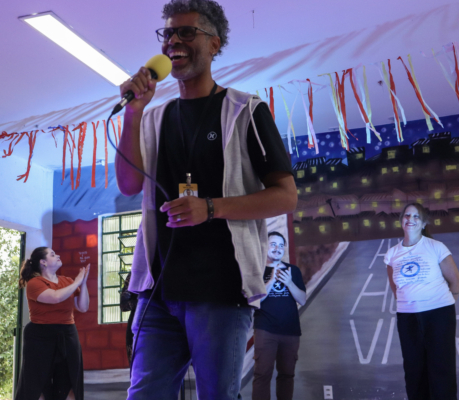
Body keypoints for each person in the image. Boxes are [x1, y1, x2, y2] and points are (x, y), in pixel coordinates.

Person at [114, 0, 297, 399]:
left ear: (215, 44)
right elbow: (128, 184)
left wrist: (211, 208)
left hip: (221, 292)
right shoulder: (153, 118)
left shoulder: (246, 111)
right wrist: (133, 112)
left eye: (186, 32)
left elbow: (286, 197)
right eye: (168, 34)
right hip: (158, 293)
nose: (173, 41)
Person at [384, 203, 459, 400]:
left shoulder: (436, 247)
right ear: (401, 220)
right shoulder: (392, 254)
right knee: (414, 369)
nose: (410, 219)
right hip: (407, 317)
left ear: (424, 223)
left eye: (416, 216)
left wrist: (444, 305)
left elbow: (455, 280)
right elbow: (396, 288)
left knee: (441, 367)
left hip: (439, 315)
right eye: (407, 215)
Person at [15, 247, 90, 400]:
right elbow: (55, 297)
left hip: (68, 335)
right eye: (53, 254)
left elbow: (83, 307)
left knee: (69, 385)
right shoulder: (35, 283)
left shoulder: (67, 281)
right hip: (39, 337)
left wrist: (83, 283)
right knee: (38, 387)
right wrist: (77, 281)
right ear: (43, 262)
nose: (58, 255)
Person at [252, 231, 306, 400]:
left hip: (291, 331)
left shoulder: (293, 270)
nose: (277, 248)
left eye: (281, 245)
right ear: (265, 246)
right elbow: (255, 301)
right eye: (273, 244)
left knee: (287, 375)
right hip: (265, 330)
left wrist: (289, 282)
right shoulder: (258, 271)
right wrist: (271, 280)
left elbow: (302, 299)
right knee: (262, 374)